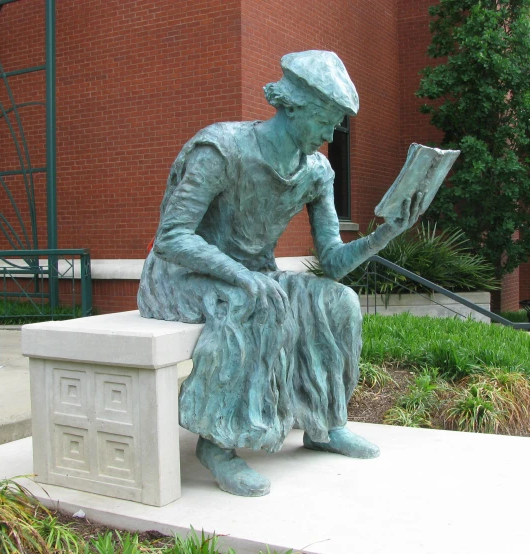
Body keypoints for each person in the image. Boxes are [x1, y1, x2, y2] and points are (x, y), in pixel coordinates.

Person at [139, 50, 423, 497]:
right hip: (181, 274)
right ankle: (217, 445)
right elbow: (173, 237)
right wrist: (240, 275)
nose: (331, 135)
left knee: (337, 301)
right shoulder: (222, 148)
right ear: (294, 106)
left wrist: (384, 235)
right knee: (255, 301)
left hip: (252, 274)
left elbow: (331, 262)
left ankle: (324, 425)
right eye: (326, 122)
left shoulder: (316, 171)